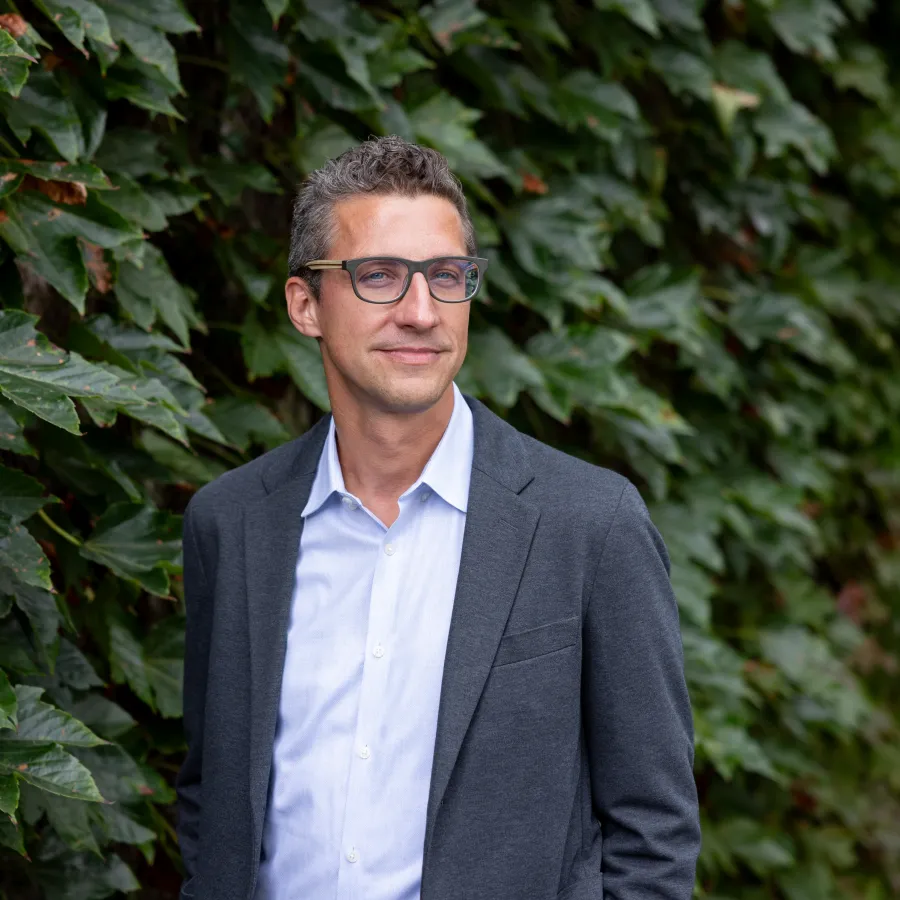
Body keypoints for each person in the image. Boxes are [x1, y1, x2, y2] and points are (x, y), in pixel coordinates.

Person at [175, 135, 700, 900]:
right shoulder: (229, 524)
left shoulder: (590, 525)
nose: (421, 312)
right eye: (379, 276)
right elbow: (211, 800)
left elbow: (653, 831)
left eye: (446, 277)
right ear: (304, 304)